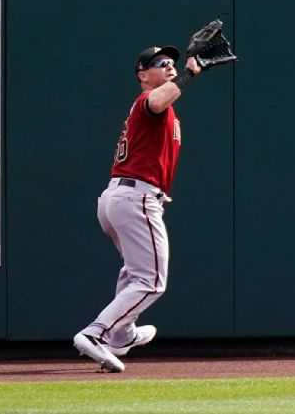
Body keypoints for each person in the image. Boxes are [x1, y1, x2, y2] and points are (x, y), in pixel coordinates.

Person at [73, 45, 203, 373]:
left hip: (122, 198)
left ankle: (121, 335)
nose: (170, 67)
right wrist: (191, 72)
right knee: (152, 281)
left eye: (173, 63)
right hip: (135, 198)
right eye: (161, 63)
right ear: (143, 76)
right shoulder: (148, 101)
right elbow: (158, 100)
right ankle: (96, 333)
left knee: (135, 272)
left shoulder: (159, 109)